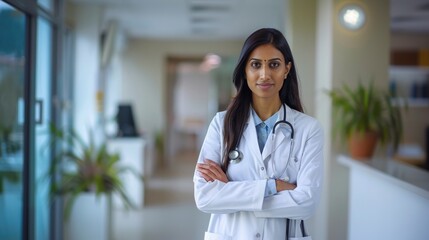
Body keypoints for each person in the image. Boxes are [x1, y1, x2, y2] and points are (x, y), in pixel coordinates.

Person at [193, 28, 324, 240]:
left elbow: (307, 203)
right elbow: (205, 198)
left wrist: (232, 194)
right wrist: (274, 186)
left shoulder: (308, 129)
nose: (264, 74)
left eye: (274, 64)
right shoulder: (221, 124)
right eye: (255, 65)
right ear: (245, 70)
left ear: (286, 69)